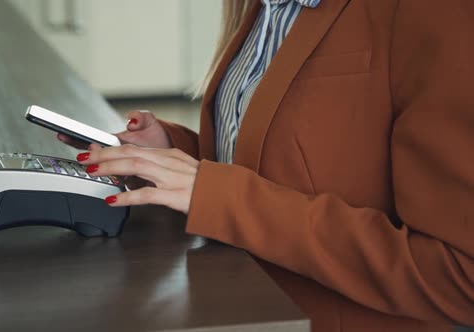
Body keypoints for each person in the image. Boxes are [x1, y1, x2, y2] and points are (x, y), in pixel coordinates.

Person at [58, 0, 474, 330]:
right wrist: (176, 151)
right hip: (239, 307)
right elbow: (303, 164)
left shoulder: (432, 10)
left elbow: (460, 277)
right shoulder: (263, 8)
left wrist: (216, 194)